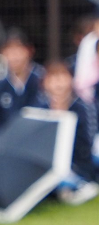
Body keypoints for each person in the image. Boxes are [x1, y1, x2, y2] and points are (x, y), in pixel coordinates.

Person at [42, 60, 98, 204]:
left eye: (62, 77)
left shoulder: (82, 107)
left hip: (77, 163)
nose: (58, 83)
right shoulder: (40, 108)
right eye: (53, 78)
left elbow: (86, 143)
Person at [0, 28, 46, 134]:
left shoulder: (43, 80)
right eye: (9, 51)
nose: (14, 56)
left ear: (30, 50)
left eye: (18, 50)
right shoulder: (0, 87)